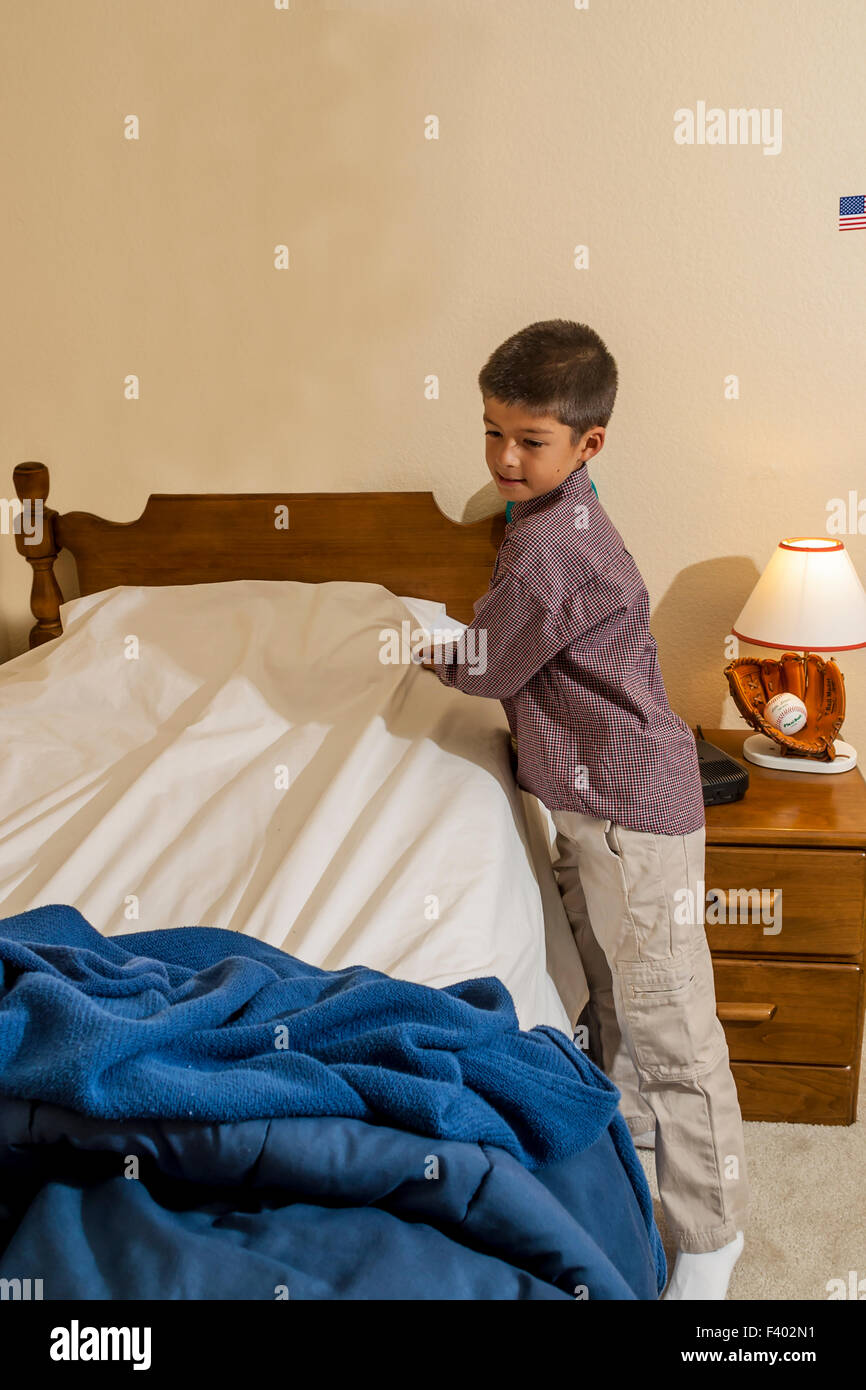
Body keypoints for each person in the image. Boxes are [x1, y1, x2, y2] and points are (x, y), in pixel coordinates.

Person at [423, 318, 748, 1300]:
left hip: (627, 815)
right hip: (599, 804)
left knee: (668, 1029)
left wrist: (412, 651)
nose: (504, 459)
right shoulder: (546, 520)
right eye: (491, 432)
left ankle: (713, 1234)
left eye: (528, 440)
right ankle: (643, 1198)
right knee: (619, 1012)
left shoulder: (545, 552)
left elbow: (484, 667)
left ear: (586, 445)